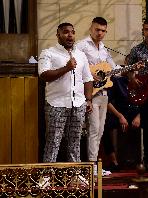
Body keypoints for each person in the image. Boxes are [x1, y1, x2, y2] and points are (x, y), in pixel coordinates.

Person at [38, 22, 93, 163]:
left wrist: (88, 100)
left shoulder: (81, 55)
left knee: (75, 142)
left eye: (72, 32)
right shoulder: (48, 53)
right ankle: (47, 175)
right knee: (53, 141)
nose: (70, 35)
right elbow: (44, 75)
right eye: (65, 32)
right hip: (56, 104)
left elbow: (87, 79)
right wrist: (66, 68)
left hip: (78, 104)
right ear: (58, 35)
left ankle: (75, 173)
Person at [76, 17, 121, 176]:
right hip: (88, 93)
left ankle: (94, 165)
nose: (100, 33)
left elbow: (114, 69)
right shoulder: (81, 45)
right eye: (97, 29)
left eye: (103, 31)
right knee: (93, 130)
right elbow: (75, 64)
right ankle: (91, 166)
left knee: (100, 130)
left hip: (102, 92)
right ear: (91, 28)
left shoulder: (103, 48)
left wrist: (132, 67)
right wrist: (90, 72)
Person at [126, 17, 148, 171]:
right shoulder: (137, 50)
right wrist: (132, 78)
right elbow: (128, 68)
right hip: (144, 94)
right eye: (146, 29)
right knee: (147, 128)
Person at [102, 74, 141, 171]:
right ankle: (114, 161)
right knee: (103, 126)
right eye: (133, 72)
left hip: (138, 114)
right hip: (120, 113)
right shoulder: (117, 81)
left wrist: (139, 116)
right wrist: (120, 116)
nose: (135, 74)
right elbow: (107, 101)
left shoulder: (144, 80)